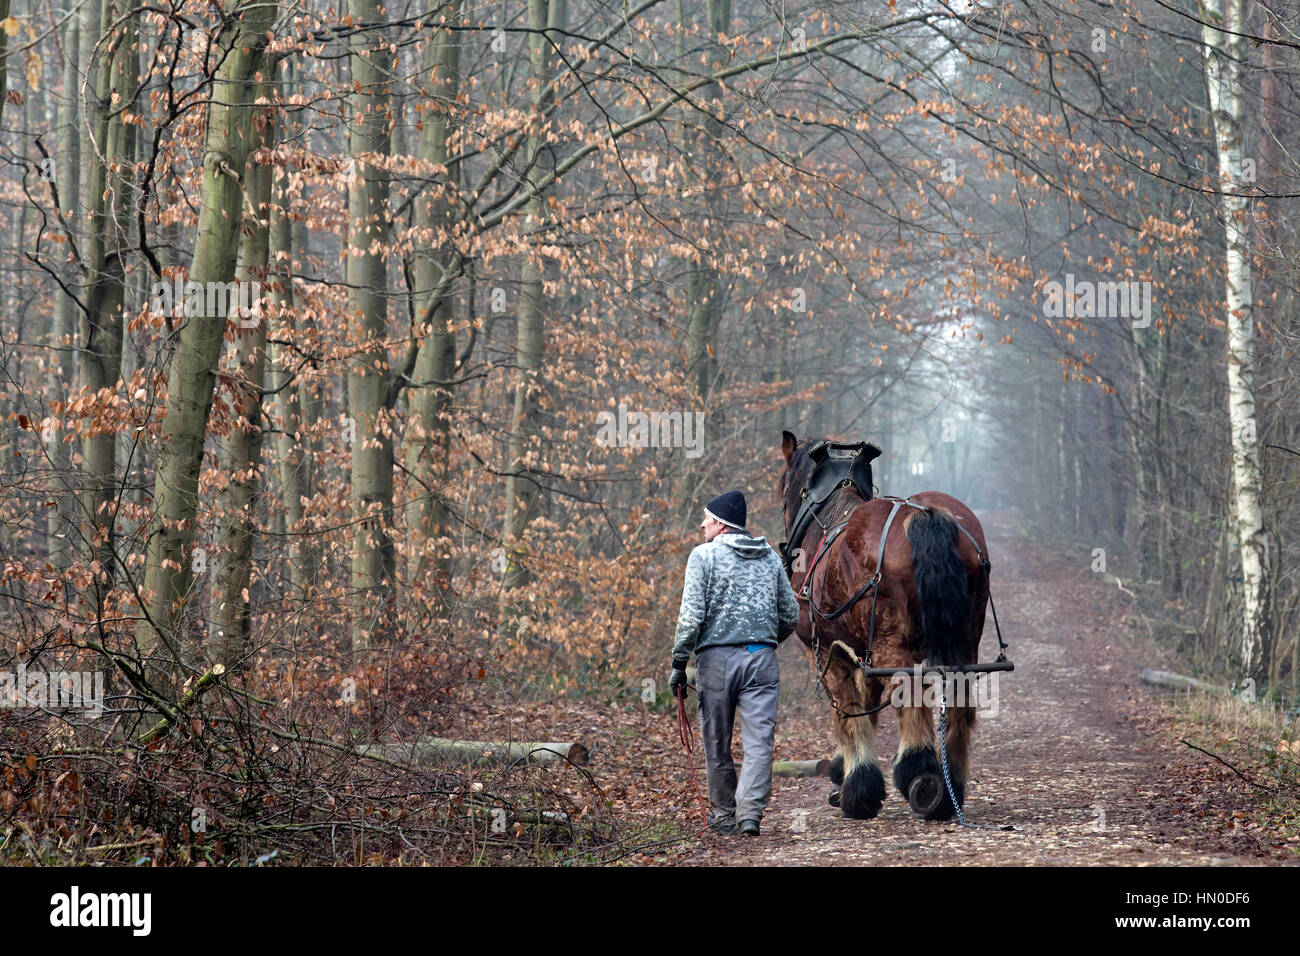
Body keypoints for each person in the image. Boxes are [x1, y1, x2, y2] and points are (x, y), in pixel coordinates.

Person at [669, 490, 800, 836]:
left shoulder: (703, 557)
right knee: (759, 742)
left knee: (716, 740)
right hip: (761, 660)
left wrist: (679, 663)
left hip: (716, 662)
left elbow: (690, 617)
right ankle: (750, 815)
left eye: (707, 519)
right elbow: (791, 614)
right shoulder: (770, 558)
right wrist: (764, 641)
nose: (702, 524)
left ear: (722, 524)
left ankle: (725, 814)